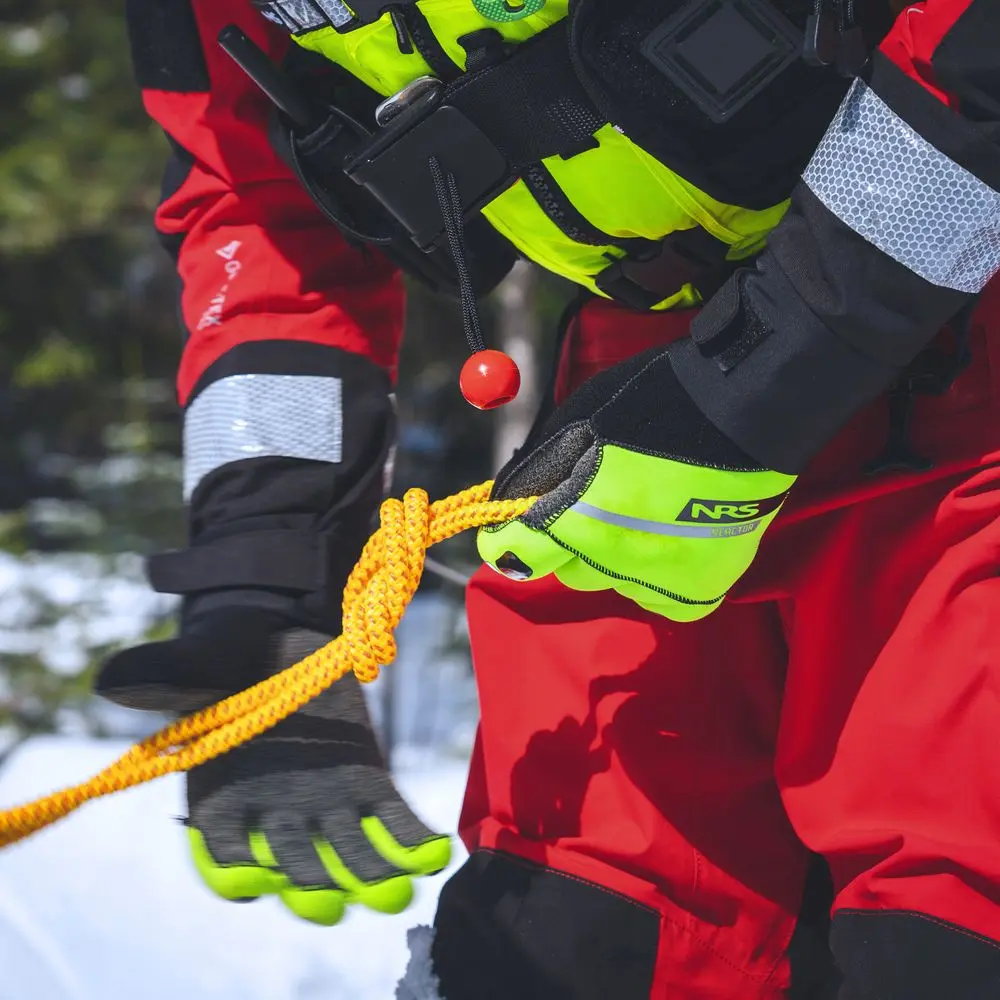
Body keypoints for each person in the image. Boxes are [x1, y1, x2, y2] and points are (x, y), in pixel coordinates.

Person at [95, 0, 1000, 996]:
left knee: (951, 920)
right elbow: (263, 200)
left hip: (956, 313)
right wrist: (267, 574)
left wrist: (766, 374)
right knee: (567, 923)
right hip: (650, 390)